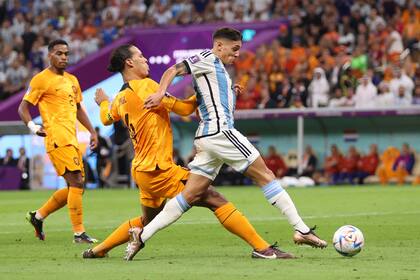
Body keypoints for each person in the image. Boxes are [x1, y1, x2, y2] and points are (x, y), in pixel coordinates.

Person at [126, 27, 327, 260]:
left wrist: (232, 93)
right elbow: (173, 69)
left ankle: (141, 236)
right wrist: (161, 93)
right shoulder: (206, 58)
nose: (237, 54)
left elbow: (214, 102)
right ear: (219, 45)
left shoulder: (219, 71)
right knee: (266, 175)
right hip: (220, 133)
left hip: (208, 139)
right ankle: (301, 230)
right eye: (235, 49)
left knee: (189, 196)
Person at [83, 44, 292, 260]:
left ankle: (97, 250)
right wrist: (207, 93)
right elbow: (183, 109)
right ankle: (263, 248)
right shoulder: (146, 86)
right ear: (129, 63)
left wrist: (103, 101)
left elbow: (106, 117)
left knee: (148, 221)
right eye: (141, 56)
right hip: (159, 169)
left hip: (142, 170)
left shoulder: (119, 98)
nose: (145, 60)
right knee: (213, 198)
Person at [18, 39, 98, 243]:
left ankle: (38, 216)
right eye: (59, 53)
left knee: (77, 185)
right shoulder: (41, 79)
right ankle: (79, 233)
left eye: (66, 53)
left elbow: (79, 108)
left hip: (71, 137)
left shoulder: (72, 80)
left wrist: (92, 131)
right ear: (49, 55)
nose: (64, 57)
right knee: (77, 182)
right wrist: (33, 127)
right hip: (56, 137)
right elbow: (23, 108)